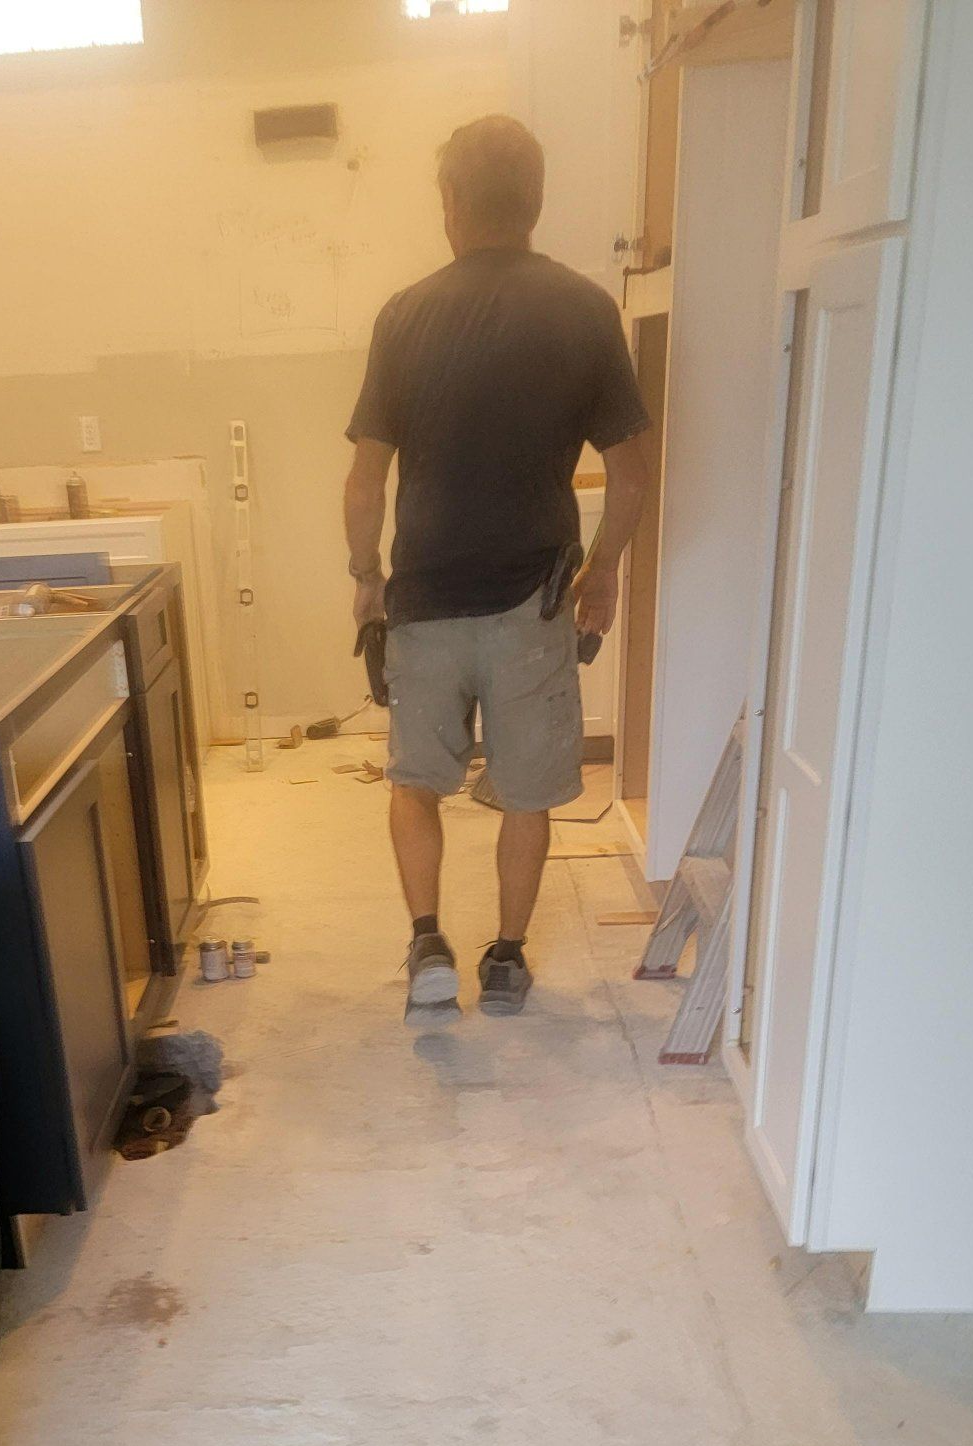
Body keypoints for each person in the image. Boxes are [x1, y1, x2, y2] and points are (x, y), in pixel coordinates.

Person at [344, 113, 651, 1017]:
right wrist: (604, 572)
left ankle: (428, 947)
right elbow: (633, 471)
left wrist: (366, 574)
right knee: (526, 794)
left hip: (426, 601)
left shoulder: (404, 315)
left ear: (449, 202)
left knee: (415, 782)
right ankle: (509, 961)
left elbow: (365, 482)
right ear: (538, 201)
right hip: (534, 605)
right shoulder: (586, 310)